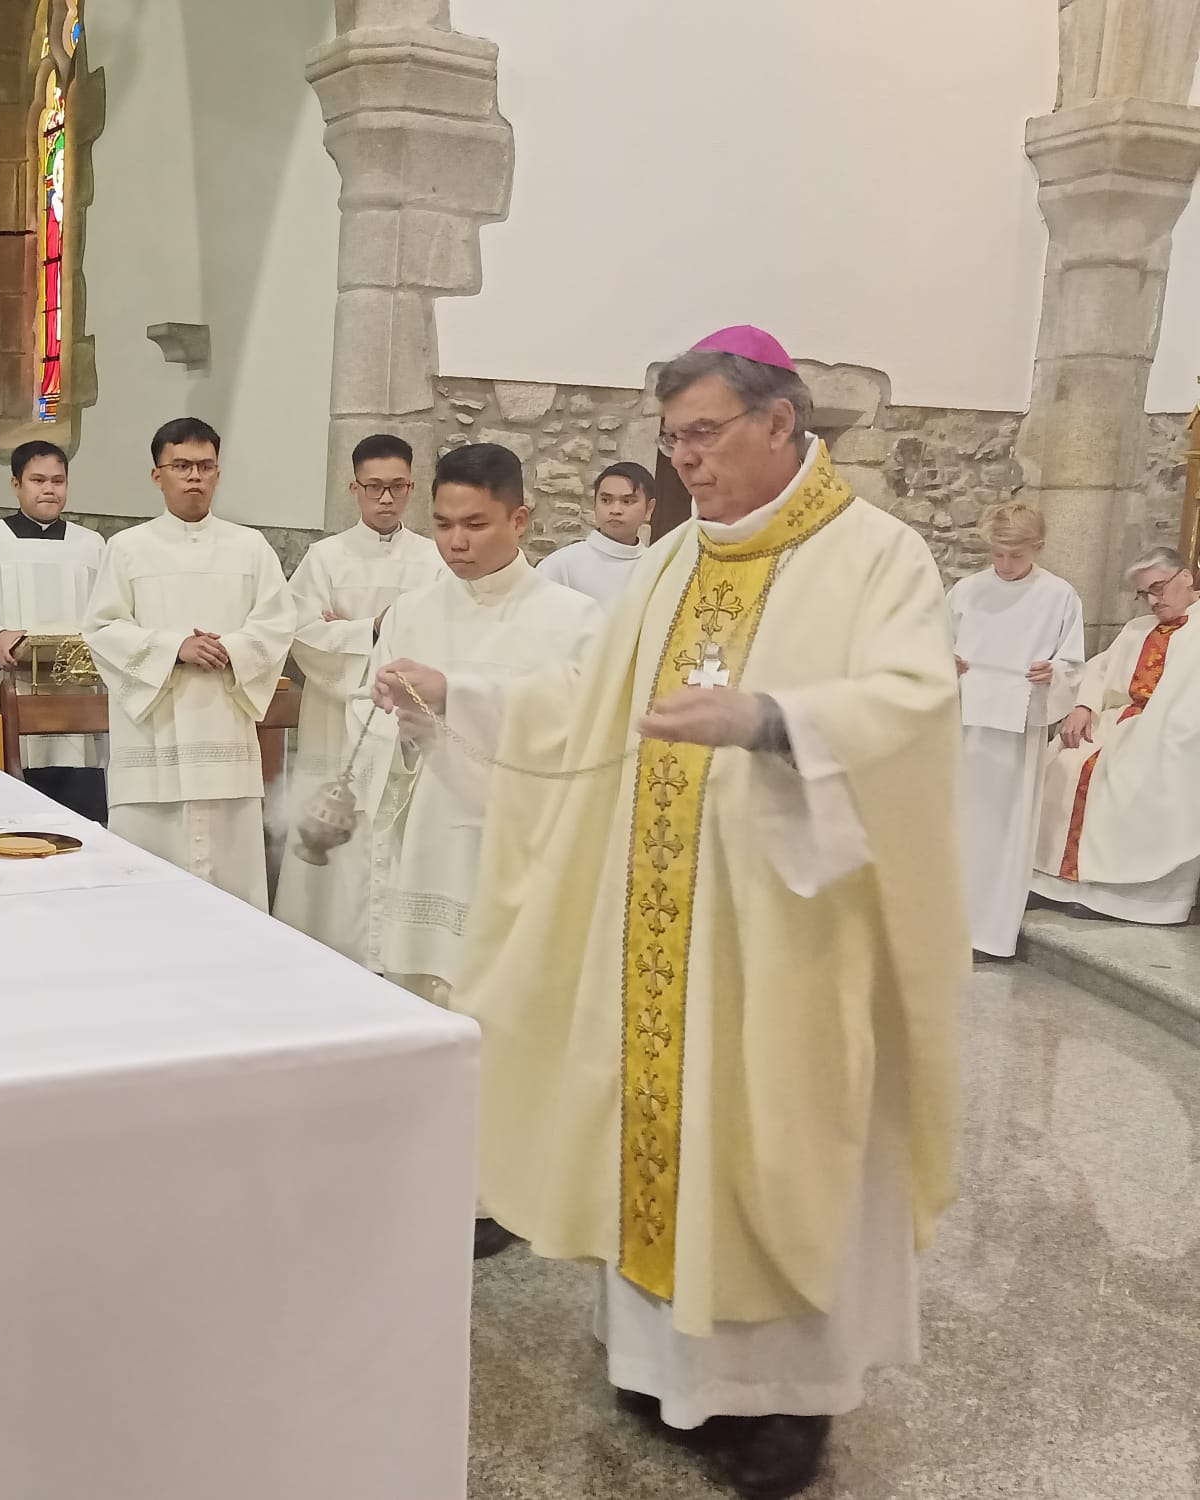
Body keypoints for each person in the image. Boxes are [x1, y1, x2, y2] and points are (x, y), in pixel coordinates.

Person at [379, 326, 963, 1500]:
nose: (681, 461)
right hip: (654, 920)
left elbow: (912, 703)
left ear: (778, 422)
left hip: (788, 928)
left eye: (701, 435)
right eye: (670, 438)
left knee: (777, 1138)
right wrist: (463, 693)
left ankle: (786, 1402)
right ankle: (662, 1370)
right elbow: (584, 702)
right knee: (655, 1124)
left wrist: (772, 722)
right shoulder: (671, 560)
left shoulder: (873, 554)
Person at [359, 441, 600, 1260]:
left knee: (499, 1013)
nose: (456, 542)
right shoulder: (413, 609)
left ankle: (495, 1188)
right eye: (444, 524)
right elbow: (378, 718)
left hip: (515, 846)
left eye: (475, 524)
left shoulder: (571, 618)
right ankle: (421, 1169)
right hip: (430, 832)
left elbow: (580, 720)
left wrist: (459, 691)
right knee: (425, 1002)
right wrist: (393, 707)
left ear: (520, 518)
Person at [83, 418, 295, 907]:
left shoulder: (251, 547)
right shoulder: (127, 548)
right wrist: (175, 647)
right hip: (153, 738)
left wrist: (230, 650)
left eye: (205, 465)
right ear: (157, 475)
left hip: (225, 731)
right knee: (145, 891)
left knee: (231, 885)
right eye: (181, 466)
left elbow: (278, 623)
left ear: (218, 472)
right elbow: (102, 628)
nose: (194, 476)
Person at [272, 434, 445, 960]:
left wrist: (349, 629)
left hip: (405, 727)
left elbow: (445, 635)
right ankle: (321, 947)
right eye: (374, 487)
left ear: (412, 486)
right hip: (336, 722)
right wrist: (371, 629)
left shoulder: (434, 559)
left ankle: (392, 954)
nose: (386, 498)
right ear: (354, 488)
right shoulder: (325, 558)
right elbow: (301, 633)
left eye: (397, 486)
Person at [0, 440, 109, 822]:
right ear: (16, 484)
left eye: (58, 481)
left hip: (75, 702)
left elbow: (109, 614)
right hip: (10, 691)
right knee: (6, 819)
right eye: (38, 480)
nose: (49, 489)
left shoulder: (91, 546)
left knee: (75, 822)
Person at [1030, 546, 1200, 924]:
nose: (1152, 601)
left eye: (1158, 588)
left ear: (1186, 577)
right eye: (1144, 593)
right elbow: (1099, 670)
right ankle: (1055, 884)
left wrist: (1158, 726)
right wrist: (1083, 706)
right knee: (1063, 762)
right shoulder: (1135, 629)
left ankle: (1128, 899)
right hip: (1120, 721)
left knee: (1126, 774)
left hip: (1174, 729)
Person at [947, 503, 1085, 959]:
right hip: (964, 725)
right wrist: (947, 662)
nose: (1005, 565)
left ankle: (988, 933)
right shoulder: (967, 592)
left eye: (1016, 556)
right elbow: (936, 644)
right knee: (956, 824)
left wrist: (1054, 672)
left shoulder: (1059, 595)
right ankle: (943, 927)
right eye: (998, 554)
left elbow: (1073, 664)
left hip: (1016, 728)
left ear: (1038, 547)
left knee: (1004, 828)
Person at [533, 460, 658, 609]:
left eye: (627, 501)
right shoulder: (560, 566)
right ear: (595, 503)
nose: (615, 510)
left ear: (649, 509)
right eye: (606, 500)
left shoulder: (657, 567)